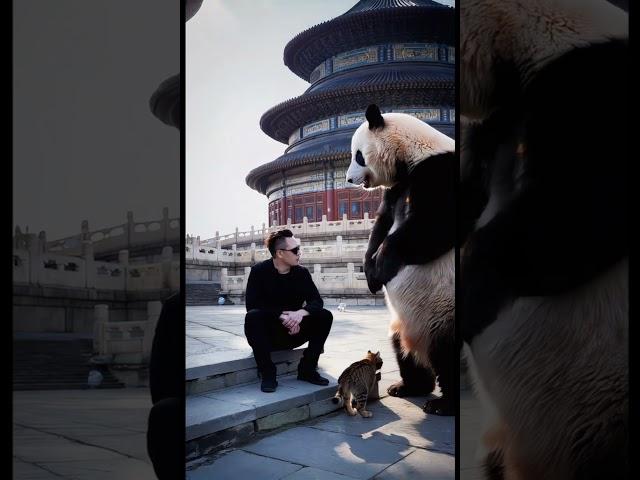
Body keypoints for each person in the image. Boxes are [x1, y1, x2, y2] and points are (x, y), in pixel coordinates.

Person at [244, 229, 333, 392]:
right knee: (252, 317)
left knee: (325, 316)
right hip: (268, 336)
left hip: (295, 332)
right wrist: (282, 317)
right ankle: (268, 373)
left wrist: (300, 314)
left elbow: (316, 301)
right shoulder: (259, 272)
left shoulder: (302, 273)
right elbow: (252, 305)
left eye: (299, 249)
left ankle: (307, 369)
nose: (299, 253)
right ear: (280, 253)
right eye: (295, 250)